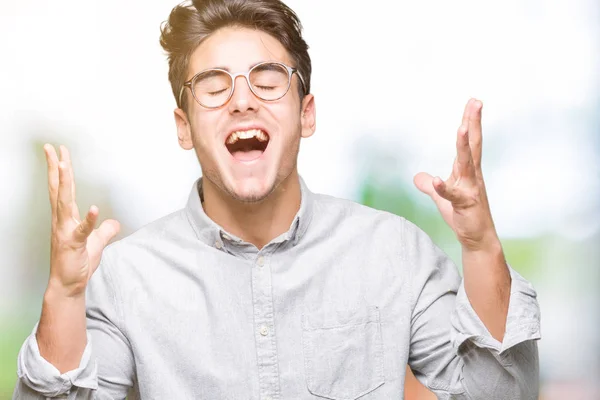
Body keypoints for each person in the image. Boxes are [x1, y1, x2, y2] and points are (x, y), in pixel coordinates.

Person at [13, 0, 541, 399]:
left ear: (306, 114)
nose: (242, 100)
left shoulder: (394, 252)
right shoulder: (125, 278)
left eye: (267, 81)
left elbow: (500, 392)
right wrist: (62, 294)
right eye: (214, 86)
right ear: (183, 127)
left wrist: (480, 248)